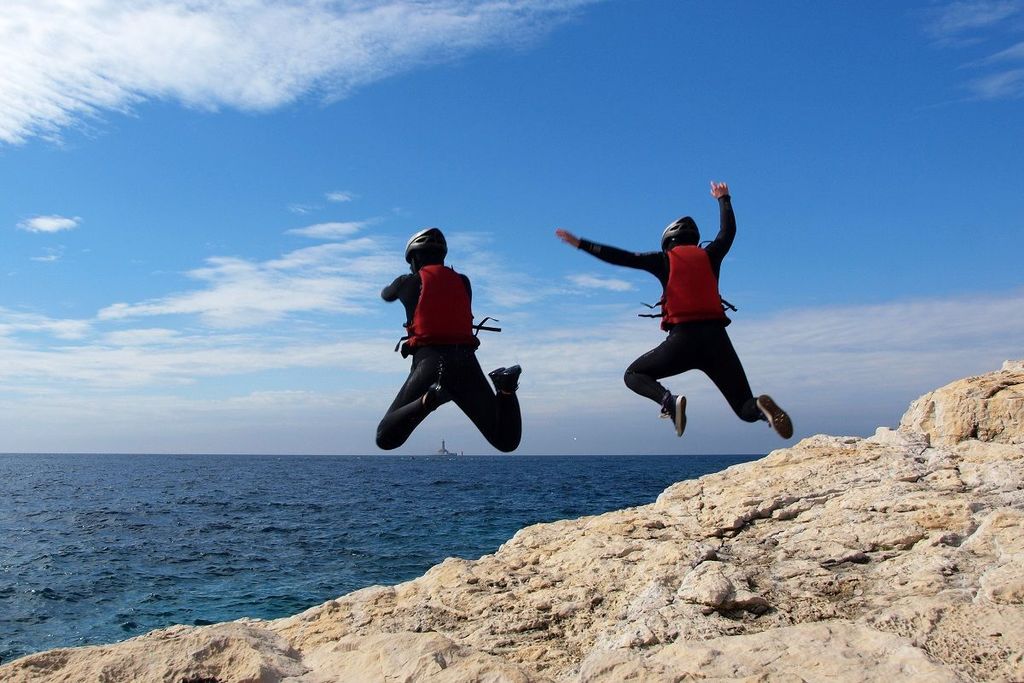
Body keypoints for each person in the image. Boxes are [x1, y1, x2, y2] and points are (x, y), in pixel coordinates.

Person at [554, 182, 792, 439]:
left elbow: (623, 257)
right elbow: (727, 232)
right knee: (744, 407)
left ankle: (669, 402)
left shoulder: (663, 260)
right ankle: (759, 407)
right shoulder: (711, 255)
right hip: (717, 341)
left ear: (668, 241)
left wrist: (581, 244)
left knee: (633, 374)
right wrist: (723, 199)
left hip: (683, 340)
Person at [376, 227, 522, 452]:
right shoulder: (464, 282)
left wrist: (396, 285)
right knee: (505, 441)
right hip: (466, 364)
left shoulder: (406, 282)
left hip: (430, 364)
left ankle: (430, 399)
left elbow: (386, 295)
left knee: (385, 437)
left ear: (413, 258)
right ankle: (506, 387)